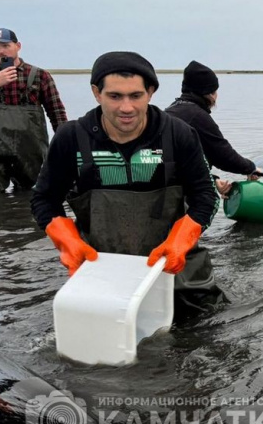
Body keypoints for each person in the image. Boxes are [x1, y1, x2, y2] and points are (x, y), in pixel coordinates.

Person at [30, 51, 223, 313]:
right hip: (103, 268)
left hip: (173, 266)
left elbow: (206, 196)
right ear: (97, 93)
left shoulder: (178, 134)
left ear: (151, 92)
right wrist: (68, 242)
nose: (126, 108)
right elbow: (43, 200)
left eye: (136, 95)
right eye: (114, 96)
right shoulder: (70, 138)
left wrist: (181, 240)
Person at [165, 61, 259, 197]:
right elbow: (223, 156)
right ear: (208, 93)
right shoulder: (197, 116)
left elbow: (182, 161)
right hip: (174, 195)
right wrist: (251, 168)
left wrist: (212, 180)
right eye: (215, 91)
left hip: (164, 185)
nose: (216, 96)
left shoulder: (171, 110)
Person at [0, 28, 68, 192]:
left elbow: (57, 113)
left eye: (5, 45)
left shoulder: (40, 76)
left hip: (30, 151)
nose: (1, 51)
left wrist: (66, 145)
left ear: (18, 46)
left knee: (32, 194)